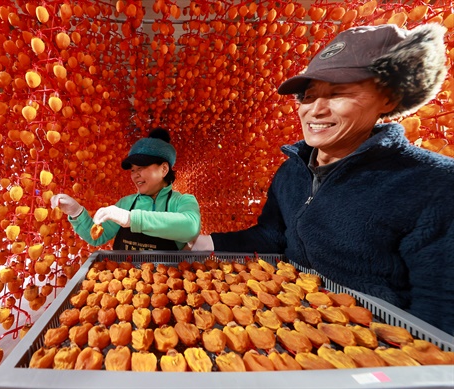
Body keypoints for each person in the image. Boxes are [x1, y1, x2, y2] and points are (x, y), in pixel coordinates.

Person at [189, 24, 454, 335]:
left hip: (375, 347)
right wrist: (202, 243)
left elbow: (441, 308)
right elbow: (273, 236)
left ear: (389, 98)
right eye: (309, 96)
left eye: (338, 93)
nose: (315, 110)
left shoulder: (433, 184)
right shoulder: (292, 171)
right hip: (290, 324)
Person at [52, 128, 201, 250]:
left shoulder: (182, 201)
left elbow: (191, 227)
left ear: (163, 169)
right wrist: (76, 212)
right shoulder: (125, 204)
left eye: (141, 168)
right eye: (132, 170)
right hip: (124, 283)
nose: (136, 175)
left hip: (168, 284)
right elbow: (97, 238)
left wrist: (131, 219)